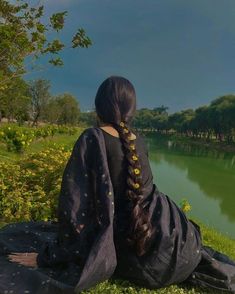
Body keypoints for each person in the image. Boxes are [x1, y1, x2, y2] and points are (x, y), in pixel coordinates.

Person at [1, 76, 235, 294]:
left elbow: (74, 206)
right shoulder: (139, 140)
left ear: (99, 106)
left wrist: (47, 257)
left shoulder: (93, 137)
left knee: (16, 234)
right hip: (176, 240)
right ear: (131, 109)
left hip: (139, 257)